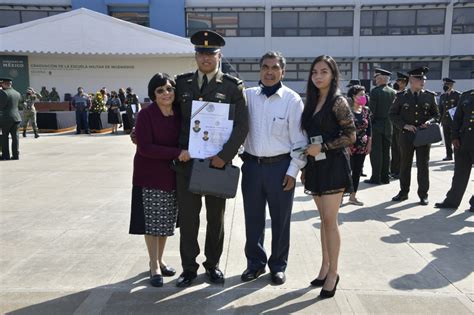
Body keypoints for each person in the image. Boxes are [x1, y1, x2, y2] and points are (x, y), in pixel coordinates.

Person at [173, 30, 248, 287]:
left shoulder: (232, 86)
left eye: (211, 53)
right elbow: (170, 119)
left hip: (217, 164)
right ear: (195, 55)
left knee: (215, 219)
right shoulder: (181, 84)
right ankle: (189, 267)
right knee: (189, 218)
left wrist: (224, 157)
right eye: (201, 53)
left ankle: (213, 264)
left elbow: (242, 126)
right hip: (187, 163)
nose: (205, 57)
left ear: (219, 55)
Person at [240, 51, 307, 285]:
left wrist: (293, 171)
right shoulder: (247, 96)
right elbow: (235, 129)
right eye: (265, 67)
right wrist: (240, 154)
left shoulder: (292, 100)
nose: (269, 72)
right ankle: (255, 263)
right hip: (251, 168)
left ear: (282, 71)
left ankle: (278, 265)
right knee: (253, 219)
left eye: (275, 67)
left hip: (280, 169)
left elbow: (300, 141)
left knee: (280, 220)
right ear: (259, 70)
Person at [300, 55, 356, 298]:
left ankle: (333, 272)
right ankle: (324, 267)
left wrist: (322, 148)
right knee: (323, 220)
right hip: (315, 166)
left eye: (324, 72)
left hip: (333, 166)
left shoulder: (338, 101)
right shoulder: (312, 101)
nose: (318, 76)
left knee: (331, 222)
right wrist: (305, 165)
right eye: (314, 72)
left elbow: (351, 135)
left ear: (333, 75)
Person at [130, 73, 190, 287]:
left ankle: (161, 259)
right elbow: (145, 147)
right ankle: (153, 264)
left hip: (173, 175)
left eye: (169, 89)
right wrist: (177, 152)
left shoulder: (179, 114)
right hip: (150, 175)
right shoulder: (146, 115)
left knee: (165, 222)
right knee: (152, 223)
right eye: (160, 90)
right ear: (153, 94)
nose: (166, 93)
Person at [389, 66, 439, 205]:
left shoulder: (429, 96)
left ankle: (423, 194)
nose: (422, 81)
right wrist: (404, 125)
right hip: (406, 136)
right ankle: (403, 192)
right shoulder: (401, 97)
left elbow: (436, 115)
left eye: (423, 79)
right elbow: (392, 115)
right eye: (419, 79)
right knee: (405, 165)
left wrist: (429, 122)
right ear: (411, 80)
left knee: (423, 166)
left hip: (423, 136)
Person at [435, 88, 474, 212]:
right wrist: (454, 136)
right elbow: (457, 118)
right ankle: (452, 201)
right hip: (463, 142)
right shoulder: (466, 95)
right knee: (459, 174)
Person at [365, 68, 396, 185]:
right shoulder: (393, 92)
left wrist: (368, 125)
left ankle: (376, 177)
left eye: (377, 78)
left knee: (376, 153)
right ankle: (385, 177)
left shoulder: (375, 91)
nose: (375, 80)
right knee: (386, 152)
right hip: (389, 125)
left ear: (381, 78)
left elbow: (371, 111)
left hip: (377, 125)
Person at [347, 85, 372, 206]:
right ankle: (341, 196)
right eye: (361, 95)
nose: (364, 97)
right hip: (349, 146)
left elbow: (369, 129)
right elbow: (342, 129)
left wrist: (369, 144)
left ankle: (353, 196)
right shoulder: (347, 110)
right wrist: (346, 145)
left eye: (364, 94)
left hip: (362, 145)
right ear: (353, 96)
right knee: (347, 171)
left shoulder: (366, 110)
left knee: (357, 171)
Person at [390, 72, 409, 179]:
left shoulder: (406, 95)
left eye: (399, 81)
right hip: (394, 126)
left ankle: (401, 171)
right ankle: (394, 170)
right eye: (396, 81)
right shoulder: (395, 94)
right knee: (394, 149)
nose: (396, 83)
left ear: (404, 83)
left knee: (401, 150)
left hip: (402, 127)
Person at [439, 77, 461, 161]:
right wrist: (439, 120)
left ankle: (457, 157)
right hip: (445, 121)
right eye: (444, 84)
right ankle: (449, 155)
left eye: (447, 84)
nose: (445, 86)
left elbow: (460, 109)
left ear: (451, 85)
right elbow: (440, 109)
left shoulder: (457, 95)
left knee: (455, 139)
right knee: (447, 140)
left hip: (454, 122)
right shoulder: (442, 96)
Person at [0, 77, 22, 160]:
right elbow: (19, 105)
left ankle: (6, 155)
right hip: (16, 118)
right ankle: (16, 155)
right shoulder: (17, 93)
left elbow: (1, 106)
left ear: (4, 84)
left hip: (6, 119)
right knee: (15, 138)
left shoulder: (3, 93)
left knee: (4, 138)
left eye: (1, 83)